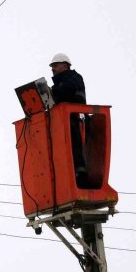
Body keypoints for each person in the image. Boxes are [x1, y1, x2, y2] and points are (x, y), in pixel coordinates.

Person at [49, 53, 88, 186]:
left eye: (55, 65)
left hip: (74, 118)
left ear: (65, 65)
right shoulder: (57, 85)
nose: (52, 69)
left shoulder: (75, 78)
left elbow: (70, 91)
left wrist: (54, 91)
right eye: (52, 66)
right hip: (61, 120)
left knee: (74, 143)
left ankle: (79, 170)